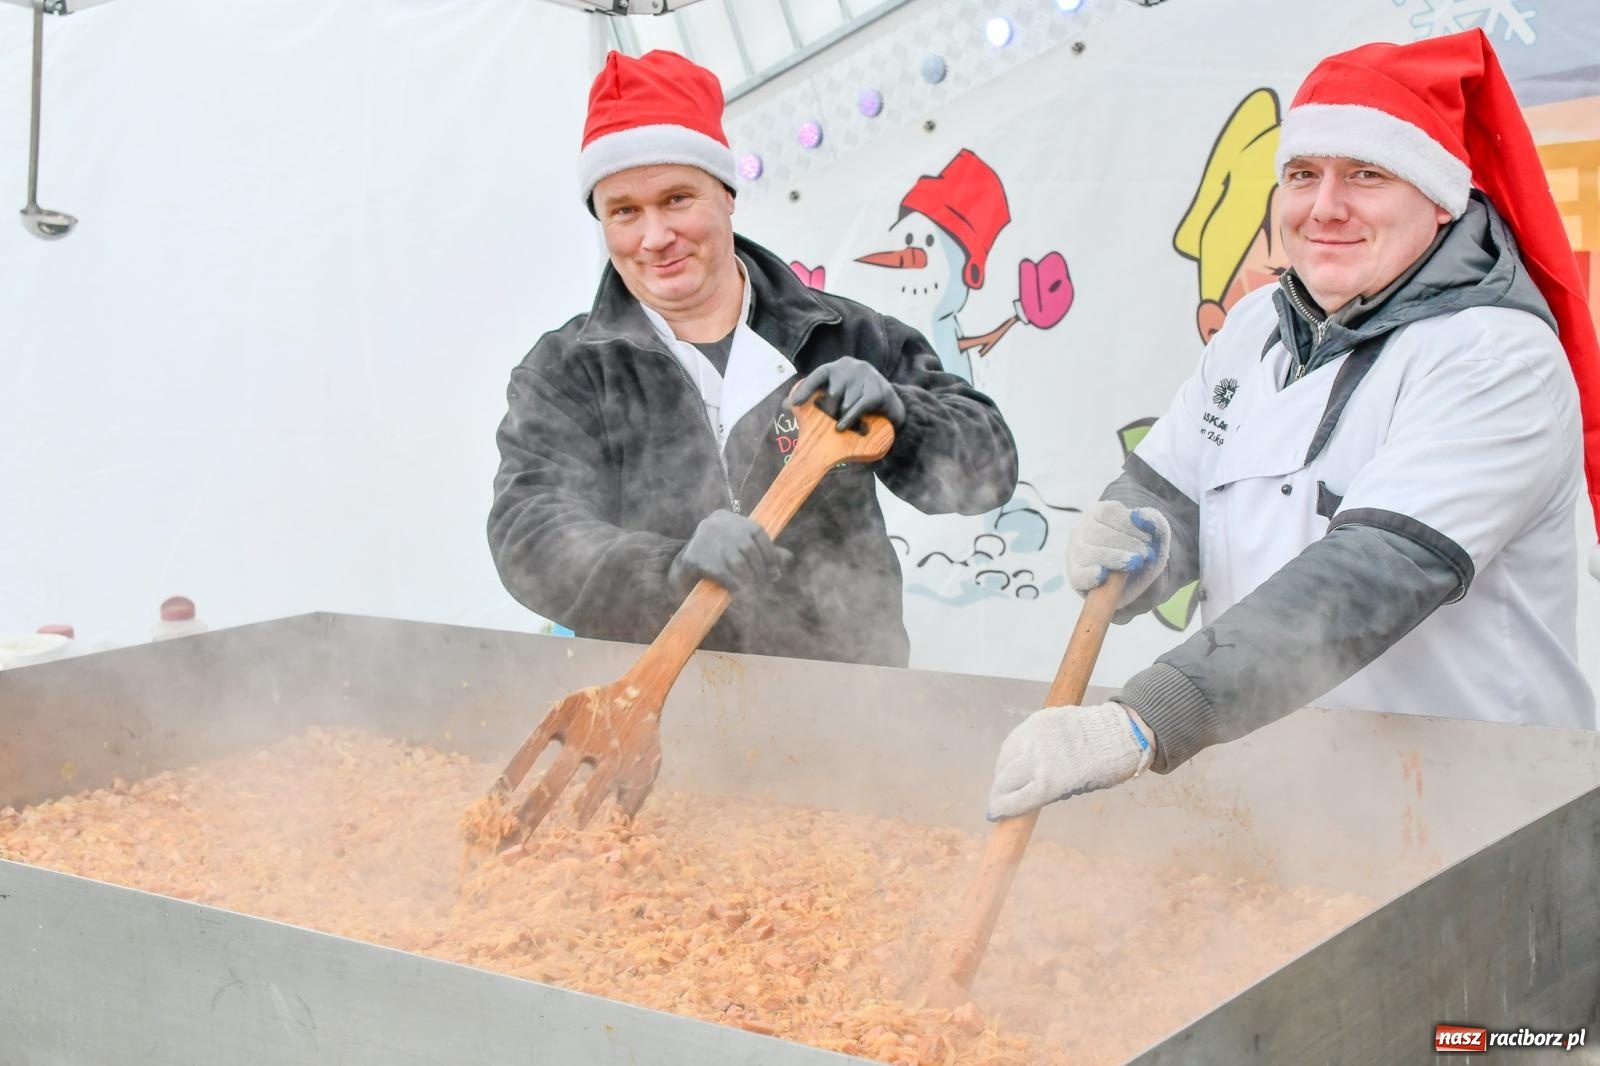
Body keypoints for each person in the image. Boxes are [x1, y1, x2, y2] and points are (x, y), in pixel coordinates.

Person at [988, 29, 1599, 820]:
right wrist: (1140, 536)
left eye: (1368, 176)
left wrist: (1145, 719)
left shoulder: (1495, 358)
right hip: (1292, 807)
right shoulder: (1255, 330)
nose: (1325, 207)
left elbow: (1370, 577)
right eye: (1303, 174)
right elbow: (1172, 487)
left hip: (1478, 812)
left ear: (1441, 199)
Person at [489, 50, 1018, 669]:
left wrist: (905, 418)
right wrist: (671, 565)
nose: (655, 237)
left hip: (852, 707)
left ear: (726, 194)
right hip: (652, 702)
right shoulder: (567, 370)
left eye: (677, 198)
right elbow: (529, 534)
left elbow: (990, 471)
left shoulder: (844, 334)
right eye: (625, 211)